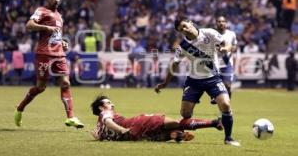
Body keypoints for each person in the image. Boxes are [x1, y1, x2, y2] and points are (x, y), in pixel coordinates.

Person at [155, 19, 240, 146]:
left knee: (226, 105)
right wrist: (165, 83)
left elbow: (226, 43)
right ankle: (184, 132)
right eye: (181, 29)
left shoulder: (209, 33)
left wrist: (224, 49)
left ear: (190, 22)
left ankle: (228, 138)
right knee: (185, 113)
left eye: (184, 26)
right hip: (193, 81)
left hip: (213, 78)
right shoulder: (183, 46)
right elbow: (174, 65)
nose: (184, 29)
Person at [14, 0, 84, 128]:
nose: (56, 0)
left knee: (66, 83)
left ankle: (71, 117)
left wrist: (62, 42)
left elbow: (55, 35)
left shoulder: (59, 16)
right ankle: (20, 108)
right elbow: (29, 25)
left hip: (59, 54)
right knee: (41, 87)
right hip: (44, 54)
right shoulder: (42, 11)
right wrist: (46, 28)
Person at [90, 95, 223, 141]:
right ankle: (214, 123)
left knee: (156, 135)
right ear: (101, 108)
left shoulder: (98, 127)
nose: (112, 104)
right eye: (108, 103)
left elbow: (100, 134)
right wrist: (121, 130)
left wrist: (97, 136)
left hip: (134, 136)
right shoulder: (104, 114)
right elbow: (108, 121)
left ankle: (172, 136)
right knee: (178, 123)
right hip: (137, 124)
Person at [210, 16, 237, 103]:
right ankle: (216, 98)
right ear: (216, 23)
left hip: (227, 63)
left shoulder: (231, 34)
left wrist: (231, 49)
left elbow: (234, 45)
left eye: (223, 21)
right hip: (215, 63)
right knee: (214, 85)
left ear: (226, 23)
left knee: (227, 85)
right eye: (219, 21)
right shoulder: (211, 34)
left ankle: (227, 102)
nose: (221, 23)